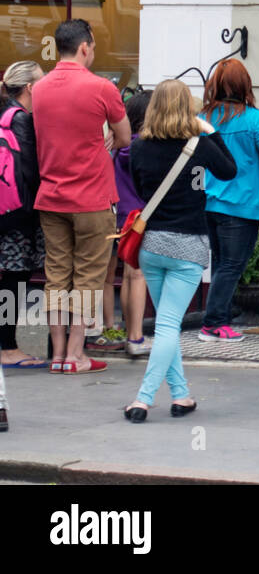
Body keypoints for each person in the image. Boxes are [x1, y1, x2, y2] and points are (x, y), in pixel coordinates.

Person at [123, 79, 237, 423]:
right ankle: (143, 400)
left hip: (152, 245)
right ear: (188, 109)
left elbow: (142, 188)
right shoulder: (199, 146)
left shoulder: (140, 148)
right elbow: (229, 171)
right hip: (189, 245)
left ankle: (181, 395)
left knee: (167, 324)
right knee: (169, 326)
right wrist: (211, 131)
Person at [32, 19, 131, 376]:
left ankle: (57, 354)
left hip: (50, 196)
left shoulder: (39, 89)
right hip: (92, 197)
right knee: (88, 277)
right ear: (85, 47)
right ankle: (77, 354)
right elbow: (124, 135)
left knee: (56, 275)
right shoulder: (101, 87)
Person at [199, 59, 259, 341]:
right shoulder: (255, 119)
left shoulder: (204, 118)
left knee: (221, 262)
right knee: (232, 265)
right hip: (240, 205)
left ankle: (219, 316)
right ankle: (214, 323)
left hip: (209, 202)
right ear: (245, 85)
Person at [0, 61, 45, 370]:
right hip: (18, 213)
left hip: (6, 208)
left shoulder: (5, 115)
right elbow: (31, 170)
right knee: (14, 282)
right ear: (30, 87)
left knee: (10, 280)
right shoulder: (22, 120)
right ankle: (8, 347)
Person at [110, 91, 153, 359]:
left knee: (127, 274)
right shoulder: (145, 147)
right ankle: (135, 337)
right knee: (138, 274)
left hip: (122, 213)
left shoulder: (119, 146)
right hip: (141, 214)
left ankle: (130, 330)